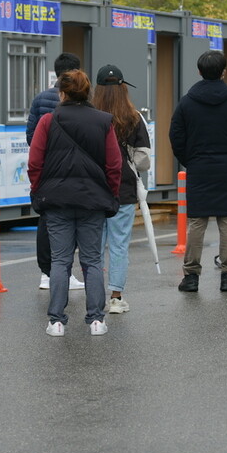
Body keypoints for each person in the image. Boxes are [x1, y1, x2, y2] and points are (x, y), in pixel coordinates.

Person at [29, 69, 122, 335]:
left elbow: (35, 162)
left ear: (62, 92)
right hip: (93, 200)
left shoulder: (48, 120)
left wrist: (39, 191)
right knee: (92, 261)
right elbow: (114, 165)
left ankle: (56, 321)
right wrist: (111, 194)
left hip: (57, 200)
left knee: (60, 261)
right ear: (87, 92)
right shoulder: (104, 121)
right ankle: (96, 320)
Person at [169, 50, 227, 293]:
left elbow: (176, 136)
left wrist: (190, 160)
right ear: (224, 72)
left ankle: (191, 277)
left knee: (197, 222)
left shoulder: (187, 102)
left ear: (199, 72)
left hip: (199, 168)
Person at [91, 64, 150, 314]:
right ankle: (116, 298)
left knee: (93, 246)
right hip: (123, 189)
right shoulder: (134, 117)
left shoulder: (90, 115)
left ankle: (94, 297)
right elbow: (143, 159)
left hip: (92, 188)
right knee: (119, 245)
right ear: (123, 88)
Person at [25, 52, 85, 292]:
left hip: (48, 169)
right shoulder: (82, 99)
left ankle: (46, 274)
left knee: (47, 220)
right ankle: (64, 272)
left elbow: (31, 135)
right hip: (74, 170)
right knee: (71, 221)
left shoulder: (40, 99)